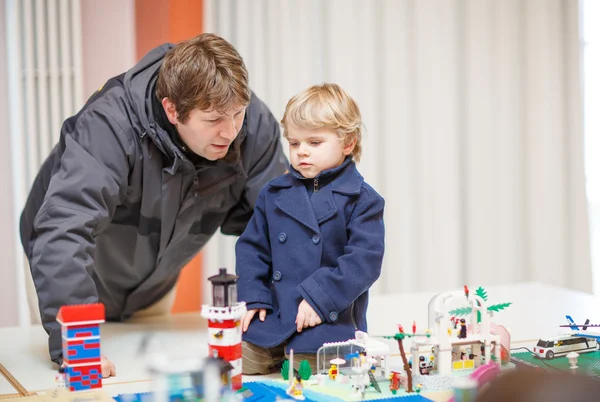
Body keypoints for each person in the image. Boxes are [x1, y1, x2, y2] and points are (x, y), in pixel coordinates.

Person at [19, 33, 287, 377]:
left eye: (237, 113)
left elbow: (276, 228)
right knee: (82, 381)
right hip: (70, 271)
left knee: (146, 372)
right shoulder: (109, 126)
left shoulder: (254, 127)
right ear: (172, 110)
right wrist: (79, 347)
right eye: (214, 120)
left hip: (154, 284)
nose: (231, 131)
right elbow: (63, 231)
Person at [235, 83, 385, 375]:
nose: (302, 151)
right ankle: (274, 347)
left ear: (348, 143)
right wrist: (253, 297)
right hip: (277, 311)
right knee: (236, 360)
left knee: (303, 370)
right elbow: (252, 248)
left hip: (329, 315)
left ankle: (307, 350)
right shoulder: (273, 193)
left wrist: (320, 298)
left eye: (314, 143)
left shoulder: (363, 200)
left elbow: (363, 262)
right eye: (294, 143)